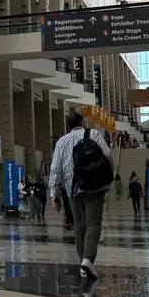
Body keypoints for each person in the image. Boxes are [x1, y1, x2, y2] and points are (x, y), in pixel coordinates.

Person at [49, 113, 113, 280]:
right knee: (93, 223)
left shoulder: (61, 142)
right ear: (82, 122)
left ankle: (83, 264)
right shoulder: (93, 134)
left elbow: (55, 169)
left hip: (72, 189)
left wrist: (53, 193)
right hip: (94, 187)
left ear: (68, 125)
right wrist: (107, 179)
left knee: (79, 225)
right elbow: (108, 156)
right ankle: (88, 260)